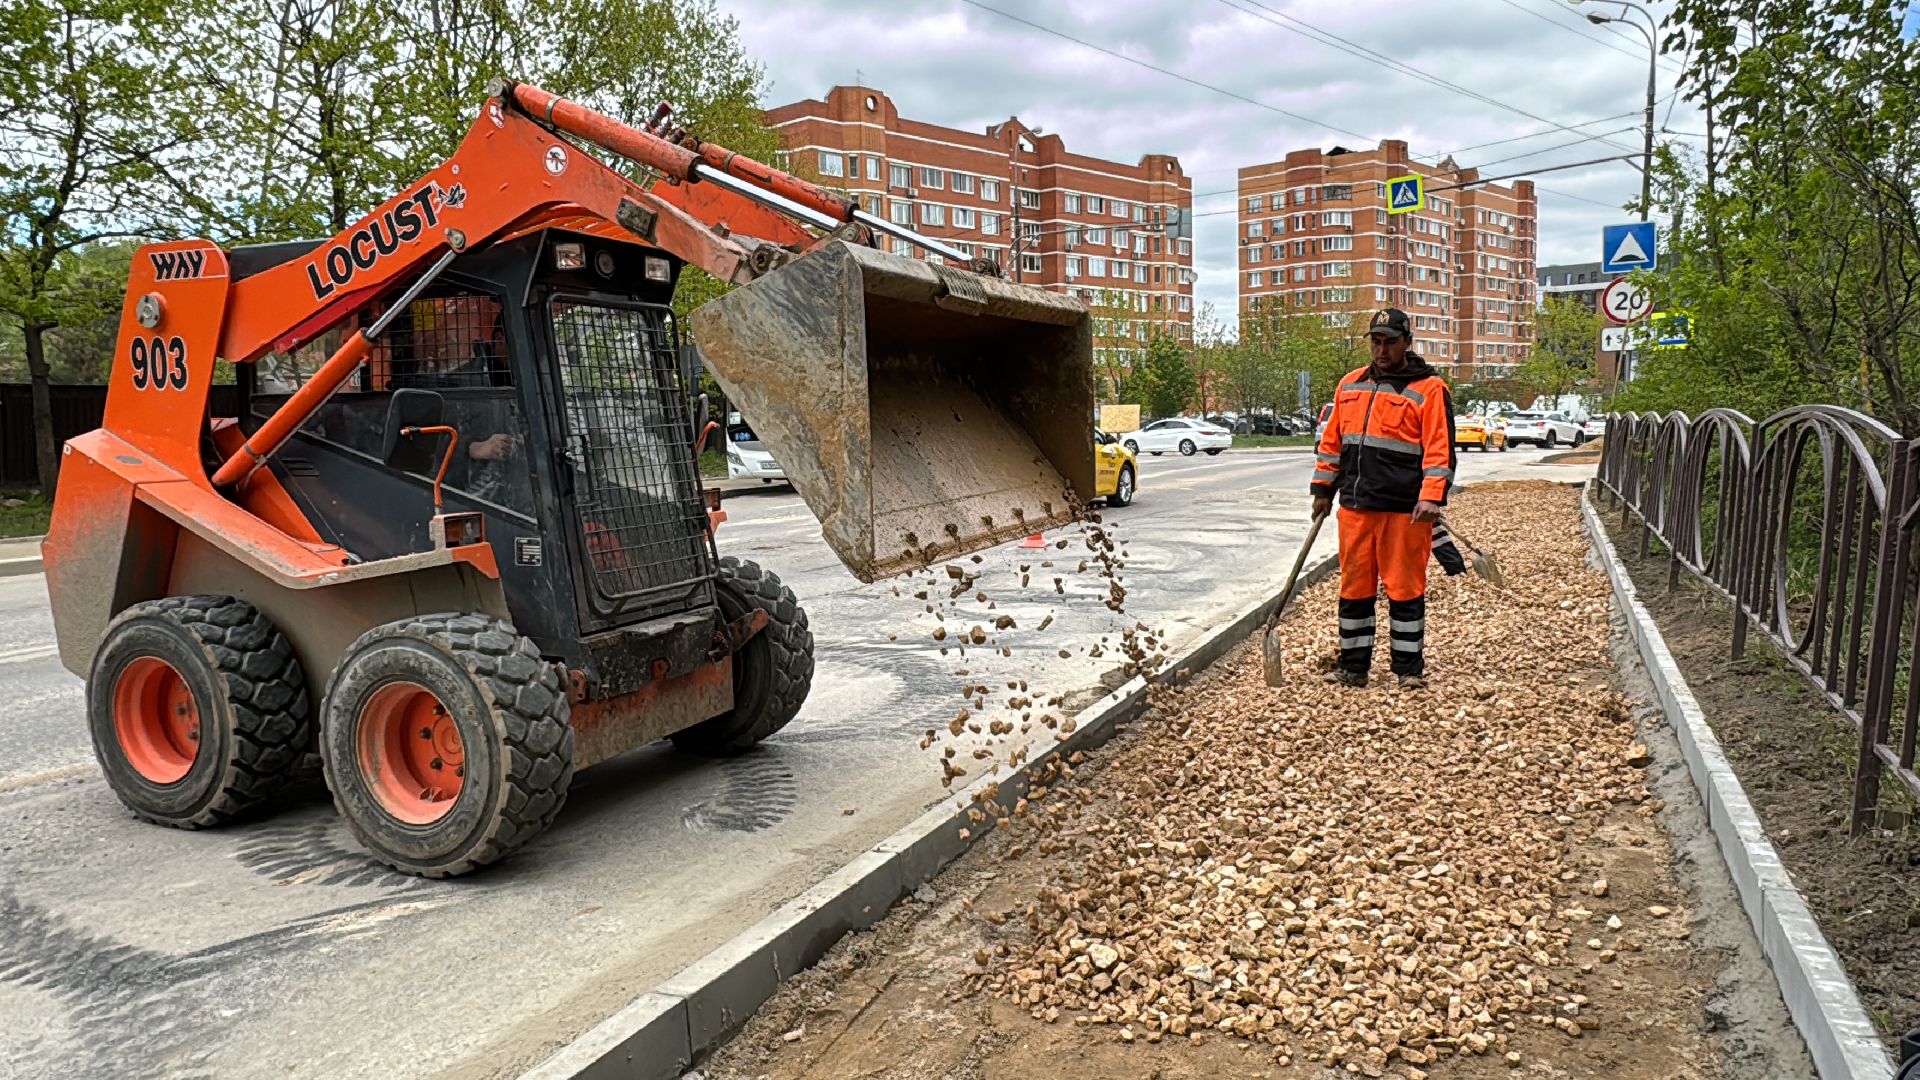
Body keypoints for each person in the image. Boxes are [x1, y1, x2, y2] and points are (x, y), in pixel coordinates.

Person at [1310, 308, 1456, 689]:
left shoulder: (1429, 390)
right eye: (1376, 342)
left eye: (1390, 342)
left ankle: (1408, 671)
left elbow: (1439, 450)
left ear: (1406, 342)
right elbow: (1332, 445)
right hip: (1356, 508)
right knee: (1354, 589)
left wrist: (1431, 498)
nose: (1381, 350)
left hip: (1404, 512)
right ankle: (1353, 668)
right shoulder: (1350, 385)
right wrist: (1322, 489)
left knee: (1405, 590)